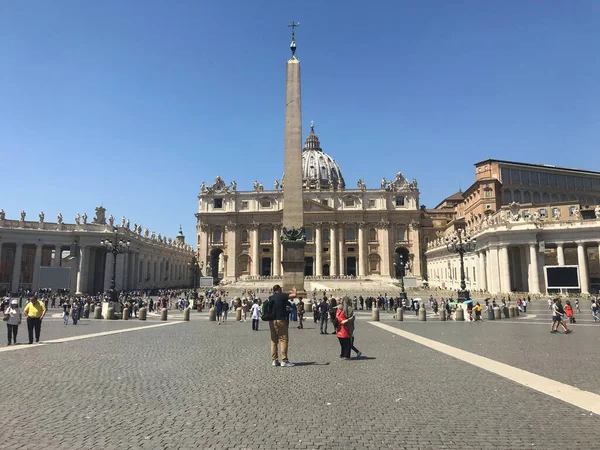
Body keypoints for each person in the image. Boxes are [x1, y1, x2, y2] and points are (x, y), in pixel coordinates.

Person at [269, 285, 297, 367]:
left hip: (272, 321)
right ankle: (284, 360)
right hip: (281, 320)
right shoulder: (282, 296)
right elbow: (294, 295)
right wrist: (294, 290)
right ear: (279, 289)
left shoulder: (271, 297)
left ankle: (274, 360)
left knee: (274, 341)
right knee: (283, 339)